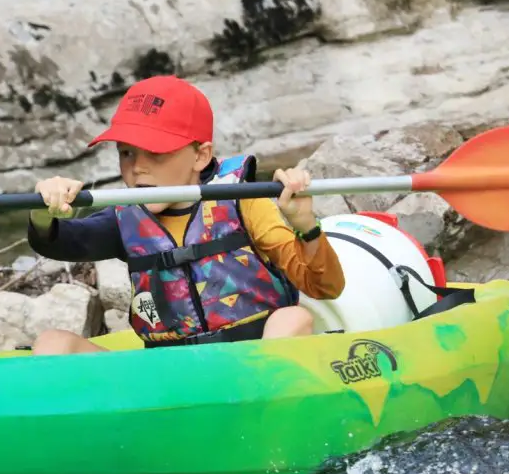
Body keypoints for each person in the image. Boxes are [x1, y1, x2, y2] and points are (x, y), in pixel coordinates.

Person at [27, 75, 345, 355]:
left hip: (253, 361)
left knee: (293, 318)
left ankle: (260, 413)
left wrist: (306, 225)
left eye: (156, 152)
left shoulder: (242, 202)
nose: (137, 167)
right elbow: (65, 241)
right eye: (126, 153)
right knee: (54, 344)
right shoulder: (125, 220)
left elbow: (326, 288)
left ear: (200, 155)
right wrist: (43, 212)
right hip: (171, 376)